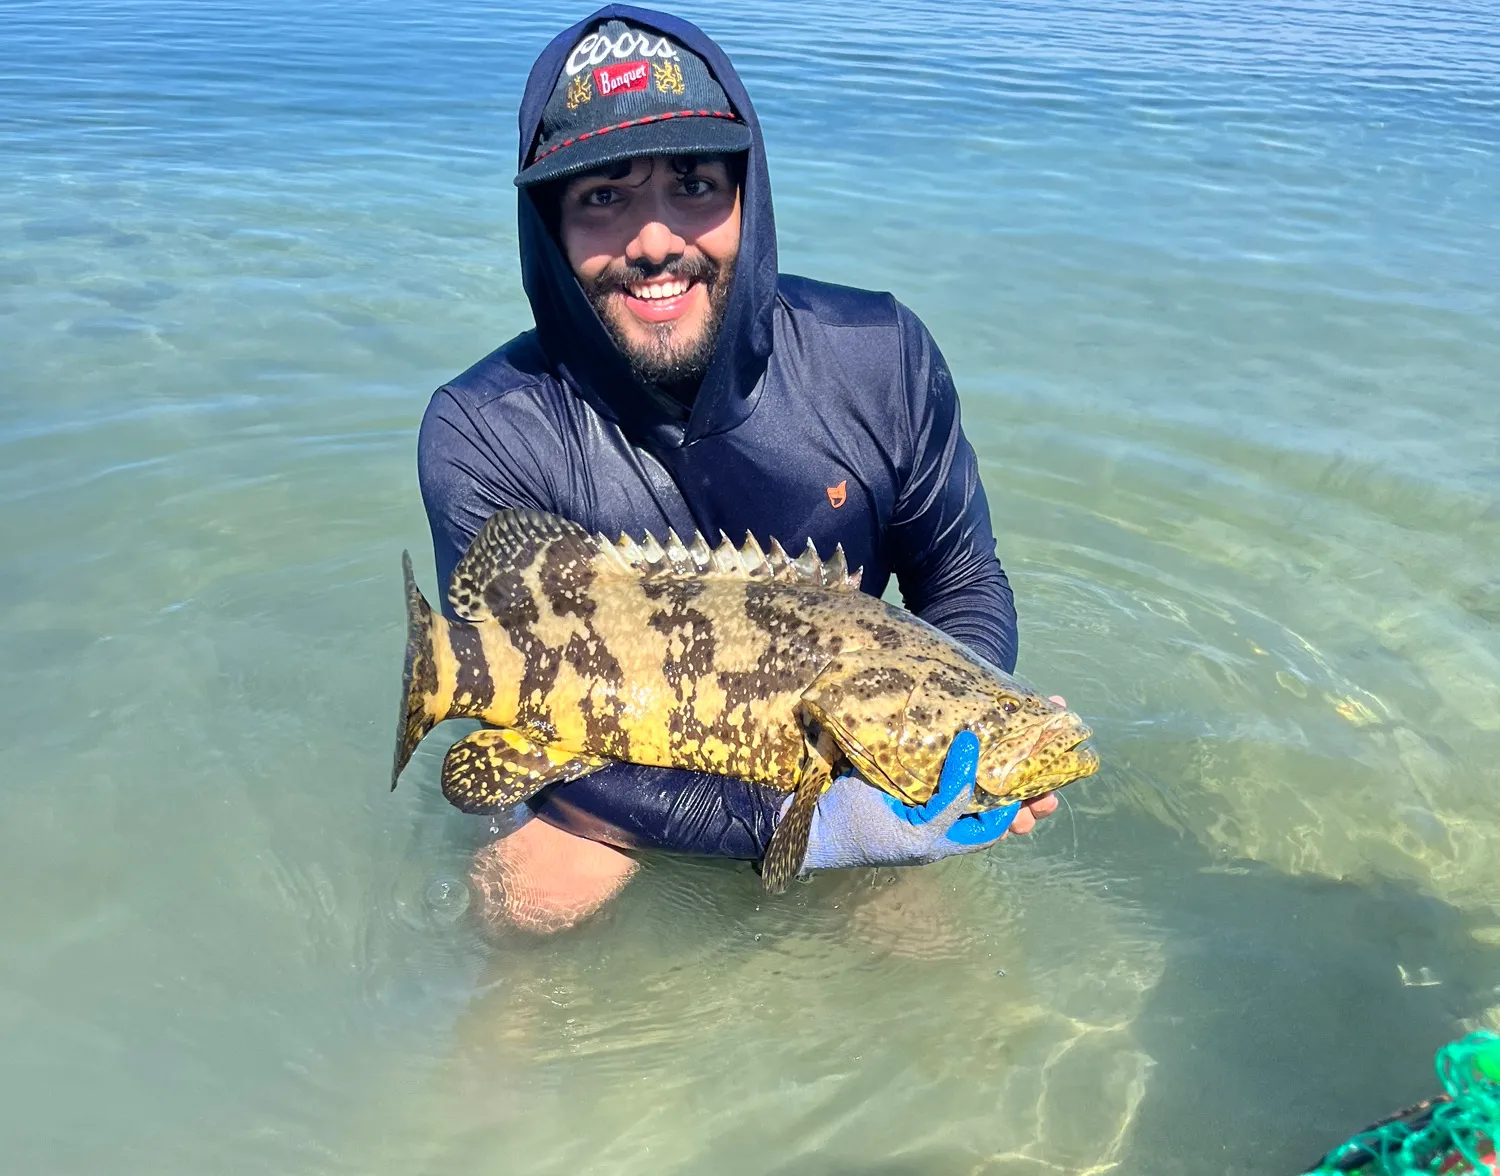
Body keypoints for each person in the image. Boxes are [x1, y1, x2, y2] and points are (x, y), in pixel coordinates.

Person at [417, 5, 1058, 933]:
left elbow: (960, 578)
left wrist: (946, 753)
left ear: (747, 197)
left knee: (936, 950)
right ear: (547, 227)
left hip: (833, 757)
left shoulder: (880, 357)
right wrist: (811, 831)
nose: (654, 240)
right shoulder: (484, 429)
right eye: (602, 196)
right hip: (610, 789)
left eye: (694, 183)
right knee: (526, 898)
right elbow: (515, 692)